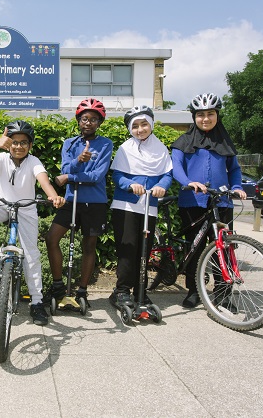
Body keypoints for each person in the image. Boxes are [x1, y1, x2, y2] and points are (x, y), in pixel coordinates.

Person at [0, 120, 65, 326]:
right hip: (2, 205)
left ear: (30, 145)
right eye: (14, 142)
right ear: (8, 143)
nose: (19, 146)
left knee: (31, 254)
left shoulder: (34, 162)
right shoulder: (3, 158)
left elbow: (44, 181)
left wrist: (54, 197)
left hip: (25, 209)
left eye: (24, 142)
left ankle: (37, 303)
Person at [171, 93, 247, 308]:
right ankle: (195, 290)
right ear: (194, 117)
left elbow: (234, 170)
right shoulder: (183, 142)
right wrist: (189, 182)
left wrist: (238, 187)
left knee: (224, 248)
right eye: (200, 114)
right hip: (192, 201)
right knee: (194, 248)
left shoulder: (225, 142)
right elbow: (176, 167)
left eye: (210, 114)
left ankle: (223, 294)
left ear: (217, 116)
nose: (206, 118)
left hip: (221, 201)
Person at [45, 98, 113, 306]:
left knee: (89, 245)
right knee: (51, 238)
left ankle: (82, 291)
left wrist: (70, 177)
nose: (88, 123)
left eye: (93, 119)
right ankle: (58, 285)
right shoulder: (69, 143)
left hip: (95, 203)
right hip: (71, 200)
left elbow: (97, 176)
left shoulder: (105, 144)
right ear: (78, 120)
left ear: (99, 123)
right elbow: (66, 168)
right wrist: (78, 161)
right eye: (85, 119)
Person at [109, 105, 172, 310]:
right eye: (135, 126)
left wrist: (162, 186)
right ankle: (122, 291)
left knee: (145, 250)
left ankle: (141, 291)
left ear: (151, 124)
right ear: (130, 129)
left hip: (149, 205)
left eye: (144, 124)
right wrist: (129, 185)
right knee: (127, 249)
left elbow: (167, 174)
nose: (140, 129)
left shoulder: (161, 149)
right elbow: (117, 175)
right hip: (125, 205)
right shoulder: (125, 149)